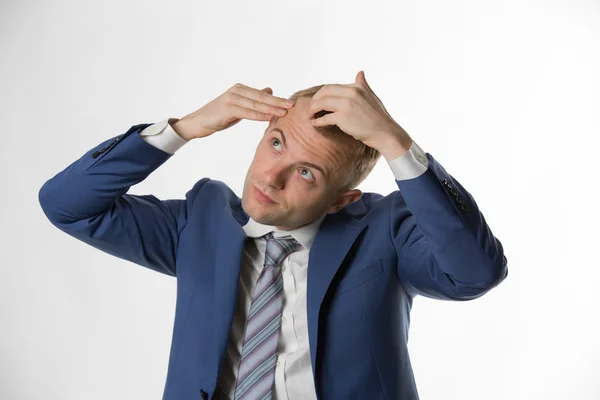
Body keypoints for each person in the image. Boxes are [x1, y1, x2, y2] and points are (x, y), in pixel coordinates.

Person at [38, 70, 508, 400]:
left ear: (341, 199)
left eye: (306, 172)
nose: (271, 177)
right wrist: (183, 129)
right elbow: (66, 204)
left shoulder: (384, 231)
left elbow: (476, 273)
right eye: (276, 143)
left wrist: (394, 142)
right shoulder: (200, 222)